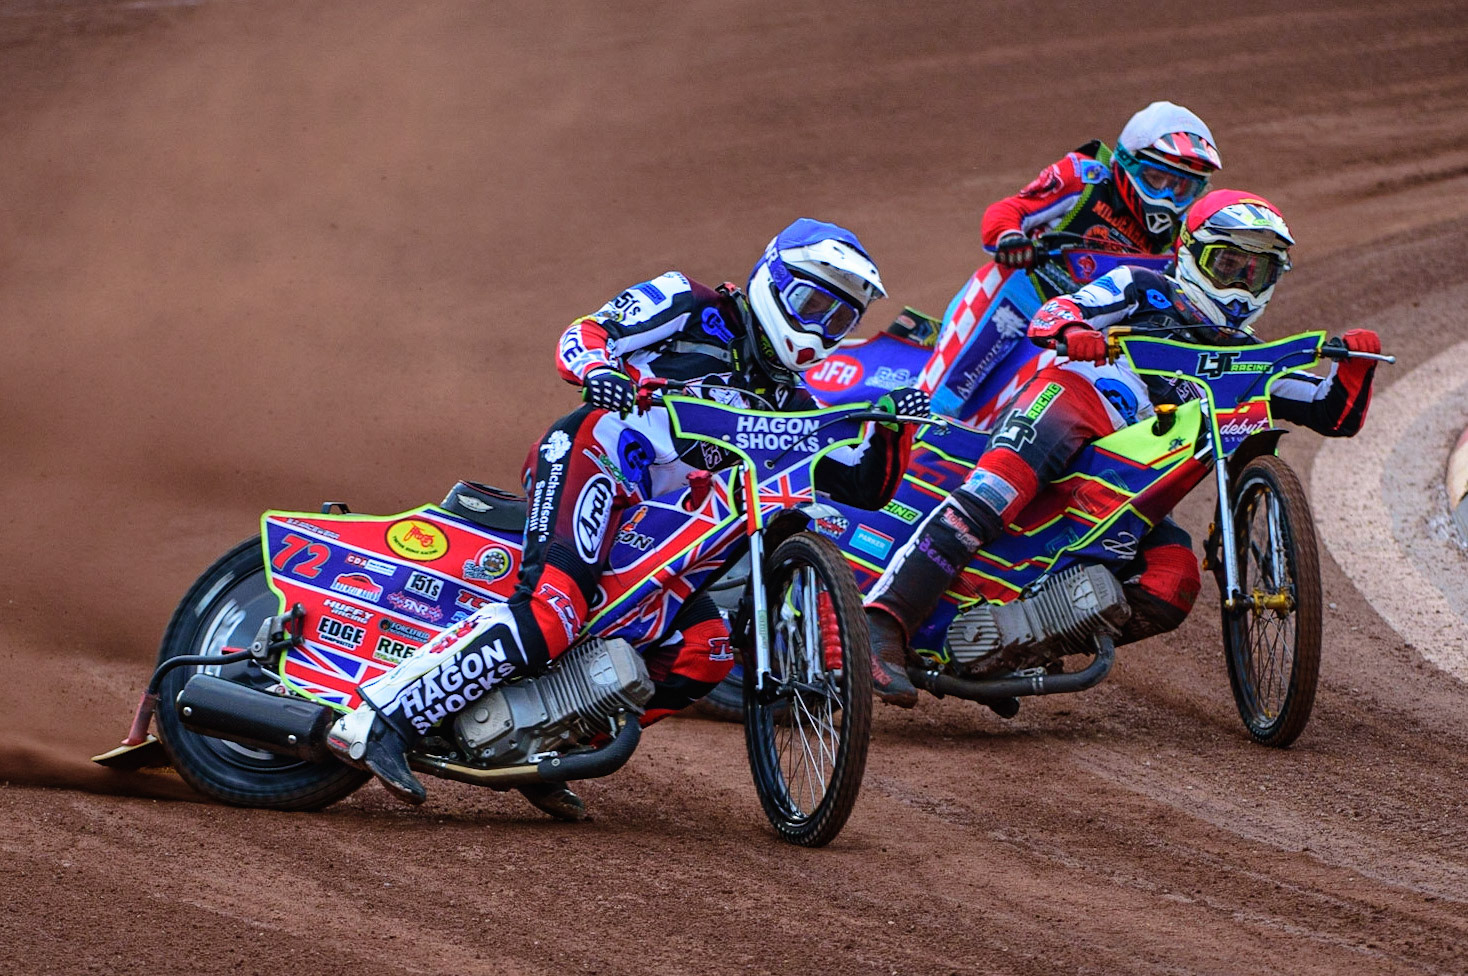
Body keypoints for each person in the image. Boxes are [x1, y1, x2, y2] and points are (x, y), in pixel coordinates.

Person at [327, 218, 931, 814]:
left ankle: (547, 746)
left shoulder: (789, 399)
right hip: (596, 457)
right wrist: (598, 369)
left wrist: (894, 427)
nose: (820, 327)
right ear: (771, 281)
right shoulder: (691, 302)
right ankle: (379, 720)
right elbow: (587, 332)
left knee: (707, 649)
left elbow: (863, 485)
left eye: (839, 319)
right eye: (811, 303)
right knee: (551, 613)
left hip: (659, 521)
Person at [866, 189, 1383, 707]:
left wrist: (1356, 366)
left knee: (1173, 580)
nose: (1241, 286)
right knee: (995, 491)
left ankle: (1005, 648)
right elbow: (1054, 313)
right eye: (1228, 265)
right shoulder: (1143, 286)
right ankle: (882, 624)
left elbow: (1330, 412)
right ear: (1190, 253)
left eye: (1258, 271)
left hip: (1130, 481)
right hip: (1075, 402)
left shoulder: (1248, 358)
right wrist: (1074, 329)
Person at [920, 100, 1223, 426]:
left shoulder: (1181, 237)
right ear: (1128, 162)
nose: (1167, 196)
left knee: (1021, 418)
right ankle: (906, 429)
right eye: (1156, 178)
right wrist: (1010, 239)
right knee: (940, 397)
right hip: (1021, 294)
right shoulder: (1085, 177)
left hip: (1078, 331)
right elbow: (1009, 210)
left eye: (1182, 187)